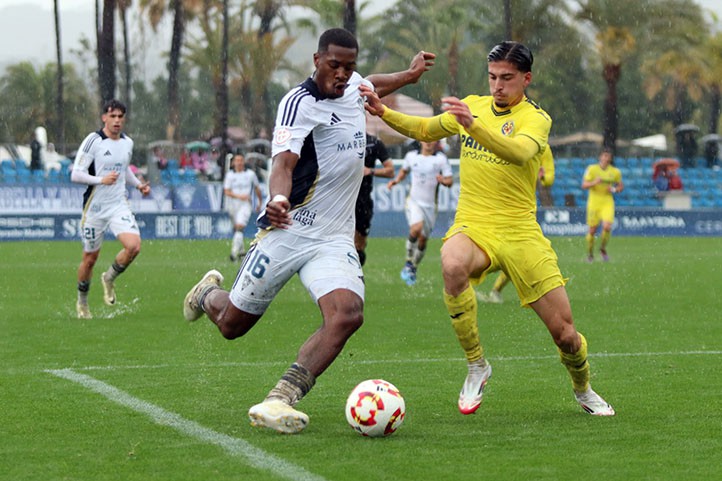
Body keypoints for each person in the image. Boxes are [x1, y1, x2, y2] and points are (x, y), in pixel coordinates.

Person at [182, 28, 435, 434]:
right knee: (231, 325)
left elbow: (373, 83)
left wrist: (408, 75)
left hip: (334, 237)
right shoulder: (298, 104)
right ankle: (207, 293)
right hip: (289, 228)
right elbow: (283, 163)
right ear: (316, 60)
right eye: (334, 65)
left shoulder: (355, 85)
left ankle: (280, 399)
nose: (342, 74)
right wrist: (277, 199)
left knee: (348, 315)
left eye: (349, 66)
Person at [361, 40, 614, 416]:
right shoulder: (474, 106)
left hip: (520, 231)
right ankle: (477, 365)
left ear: (526, 79)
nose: (498, 85)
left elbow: (519, 153)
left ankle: (583, 388)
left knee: (566, 336)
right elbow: (427, 129)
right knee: (451, 262)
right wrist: (383, 112)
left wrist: (472, 126)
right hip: (473, 224)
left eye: (507, 78)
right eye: (493, 77)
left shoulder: (535, 118)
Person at [71, 99, 151, 319]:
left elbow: (124, 170)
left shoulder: (127, 143)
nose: (116, 121)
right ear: (104, 118)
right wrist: (100, 180)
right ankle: (83, 302)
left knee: (134, 246)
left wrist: (138, 184)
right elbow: (75, 174)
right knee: (89, 259)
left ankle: (109, 278)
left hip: (118, 205)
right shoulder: (94, 141)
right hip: (95, 209)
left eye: (120, 117)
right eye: (112, 116)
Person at [478, 147, 555, 304]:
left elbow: (550, 177)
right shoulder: (508, 141)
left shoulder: (543, 148)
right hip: (497, 204)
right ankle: (471, 278)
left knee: (518, 254)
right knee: (497, 249)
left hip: (522, 211)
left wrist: (543, 178)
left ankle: (493, 289)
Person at [387, 140, 453, 286]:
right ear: (421, 142)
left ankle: (413, 267)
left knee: (423, 240)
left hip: (430, 206)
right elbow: (404, 171)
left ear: (436, 142)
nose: (428, 143)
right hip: (414, 201)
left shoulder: (440, 159)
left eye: (432, 140)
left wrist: (443, 180)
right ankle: (408, 261)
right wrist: (396, 181)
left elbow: (450, 181)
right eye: (425, 140)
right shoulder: (411, 156)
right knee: (416, 228)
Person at [355, 133, 394, 266]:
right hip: (343, 200)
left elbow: (390, 171)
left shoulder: (373, 143)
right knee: (345, 243)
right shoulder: (339, 139)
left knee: (359, 246)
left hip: (363, 202)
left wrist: (370, 171)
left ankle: (356, 276)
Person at [581, 148, 624, 262]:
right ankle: (590, 254)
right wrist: (594, 182)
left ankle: (603, 248)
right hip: (594, 202)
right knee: (592, 231)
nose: (606, 158)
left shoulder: (615, 172)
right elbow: (584, 185)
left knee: (607, 227)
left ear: (610, 158)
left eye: (608, 156)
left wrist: (614, 189)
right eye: (604, 156)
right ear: (600, 157)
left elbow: (620, 187)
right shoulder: (592, 169)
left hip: (607, 201)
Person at [223, 153, 264, 261]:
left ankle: (233, 253)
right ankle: (241, 252)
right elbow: (226, 191)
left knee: (239, 226)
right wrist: (239, 196)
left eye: (241, 160)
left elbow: (257, 188)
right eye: (237, 160)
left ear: (244, 162)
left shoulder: (250, 174)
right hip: (233, 205)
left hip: (245, 204)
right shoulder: (230, 175)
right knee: (237, 229)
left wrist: (260, 202)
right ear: (233, 163)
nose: (239, 162)